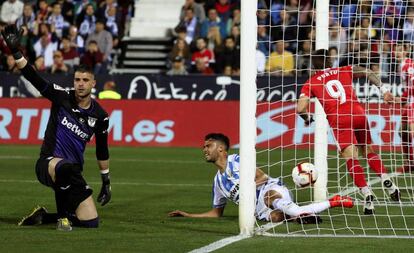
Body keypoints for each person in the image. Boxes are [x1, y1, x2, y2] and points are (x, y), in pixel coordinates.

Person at [1, 24, 112, 231]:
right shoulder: (61, 96)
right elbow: (34, 77)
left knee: (90, 221)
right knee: (64, 167)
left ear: (93, 84)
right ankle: (62, 219)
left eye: (85, 80)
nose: (80, 84)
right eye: (77, 79)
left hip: (72, 172)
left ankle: (44, 217)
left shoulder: (100, 116)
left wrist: (106, 181)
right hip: (48, 164)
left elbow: (102, 150)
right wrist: (16, 51)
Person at [296, 49, 401, 215]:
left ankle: (367, 194)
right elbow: (367, 71)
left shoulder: (311, 82)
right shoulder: (344, 69)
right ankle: (386, 179)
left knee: (351, 158)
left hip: (339, 120)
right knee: (368, 150)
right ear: (329, 61)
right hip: (358, 113)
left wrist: (307, 118)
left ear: (313, 65)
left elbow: (300, 108)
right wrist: (383, 91)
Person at [169, 133, 354, 223]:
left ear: (220, 149)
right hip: (260, 211)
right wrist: (188, 215)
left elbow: (262, 177)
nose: (204, 150)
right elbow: (217, 213)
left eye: (208, 146)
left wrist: (246, 190)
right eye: (203, 147)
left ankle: (334, 201)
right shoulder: (217, 183)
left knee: (277, 202)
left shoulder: (238, 160)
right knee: (276, 217)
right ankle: (299, 216)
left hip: (270, 191)